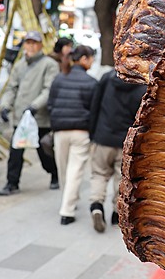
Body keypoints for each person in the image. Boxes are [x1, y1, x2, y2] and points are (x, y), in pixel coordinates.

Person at [0, 31, 59, 195]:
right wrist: (5, 106)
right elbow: (11, 88)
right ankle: (12, 183)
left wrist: (34, 106)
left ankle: (55, 174)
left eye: (34, 43)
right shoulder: (19, 65)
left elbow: (49, 89)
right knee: (15, 152)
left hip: (39, 117)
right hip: (20, 117)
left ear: (40, 45)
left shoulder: (49, 64)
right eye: (28, 43)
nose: (31, 46)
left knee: (44, 153)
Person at [87, 69, 146, 232]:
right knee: (121, 179)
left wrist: (92, 133)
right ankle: (116, 213)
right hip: (125, 142)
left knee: (99, 173)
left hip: (103, 138)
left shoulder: (107, 78)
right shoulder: (142, 85)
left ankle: (96, 205)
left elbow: (95, 105)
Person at [46, 45, 97, 225]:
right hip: (81, 132)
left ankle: (67, 204)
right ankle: (68, 209)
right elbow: (94, 110)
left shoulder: (59, 78)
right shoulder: (91, 83)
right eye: (91, 58)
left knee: (63, 170)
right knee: (74, 171)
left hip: (60, 131)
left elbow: (50, 104)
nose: (92, 62)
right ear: (83, 59)